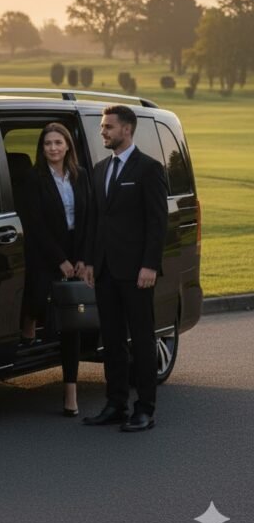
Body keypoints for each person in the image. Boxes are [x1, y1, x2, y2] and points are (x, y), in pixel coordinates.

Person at [82, 105, 168, 432]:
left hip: (136, 273)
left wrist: (150, 265)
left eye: (108, 127)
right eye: (103, 127)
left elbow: (157, 223)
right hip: (104, 270)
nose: (102, 132)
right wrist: (90, 262)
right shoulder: (100, 169)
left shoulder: (149, 169)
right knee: (113, 340)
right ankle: (115, 404)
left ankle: (144, 408)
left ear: (127, 130)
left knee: (142, 340)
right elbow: (94, 221)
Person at [20, 123, 90, 416]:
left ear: (68, 146)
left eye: (58, 142)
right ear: (42, 147)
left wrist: (83, 259)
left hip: (77, 249)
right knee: (37, 297)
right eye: (47, 143)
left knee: (71, 324)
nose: (53, 148)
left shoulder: (81, 176)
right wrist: (59, 259)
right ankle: (28, 321)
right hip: (46, 252)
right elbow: (34, 224)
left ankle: (70, 392)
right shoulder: (33, 178)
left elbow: (89, 219)